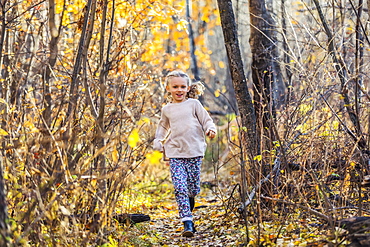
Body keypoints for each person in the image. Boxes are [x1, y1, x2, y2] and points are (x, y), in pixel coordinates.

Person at [153, 70, 217, 237]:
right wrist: (158, 140)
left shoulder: (194, 104)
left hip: (194, 151)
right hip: (175, 152)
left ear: (188, 88)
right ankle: (187, 222)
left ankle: (189, 206)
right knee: (180, 187)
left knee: (193, 189)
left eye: (182, 86)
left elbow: (206, 120)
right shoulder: (167, 109)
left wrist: (210, 129)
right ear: (168, 88)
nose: (179, 90)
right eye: (175, 87)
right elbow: (163, 127)